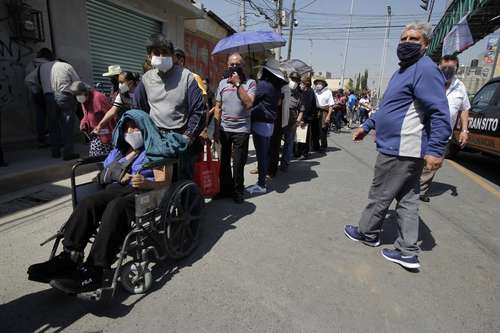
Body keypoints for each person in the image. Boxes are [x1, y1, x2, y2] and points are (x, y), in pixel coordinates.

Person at [27, 110, 188, 294]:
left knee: (116, 207)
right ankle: (70, 256)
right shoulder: (122, 150)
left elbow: (165, 183)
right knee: (89, 202)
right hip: (118, 188)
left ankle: (95, 269)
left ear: (145, 128)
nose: (130, 131)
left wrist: (146, 182)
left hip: (148, 194)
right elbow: (106, 171)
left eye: (134, 127)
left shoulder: (158, 149)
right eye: (127, 127)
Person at [344, 22, 451, 270]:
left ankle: (367, 233)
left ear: (425, 45)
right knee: (408, 200)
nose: (406, 43)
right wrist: (367, 126)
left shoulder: (425, 69)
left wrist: (436, 149)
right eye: (403, 38)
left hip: (402, 149)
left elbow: (439, 112)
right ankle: (408, 251)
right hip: (401, 148)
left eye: (413, 39)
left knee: (380, 193)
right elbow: (388, 108)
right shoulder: (403, 70)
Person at [133, 34, 206, 180]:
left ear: (173, 56)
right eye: (156, 53)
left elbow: (199, 110)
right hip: (156, 139)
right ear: (149, 57)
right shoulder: (146, 79)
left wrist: (188, 136)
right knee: (159, 181)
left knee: (183, 179)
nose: (161, 57)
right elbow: (138, 109)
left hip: (181, 138)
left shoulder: (186, 77)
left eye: (165, 53)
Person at [419, 54, 470, 202]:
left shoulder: (460, 87)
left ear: (457, 69)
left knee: (433, 164)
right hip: (422, 130)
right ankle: (409, 187)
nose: (447, 70)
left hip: (443, 134)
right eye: (444, 67)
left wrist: (464, 130)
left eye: (451, 68)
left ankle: (421, 191)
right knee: (416, 161)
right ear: (438, 67)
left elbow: (464, 109)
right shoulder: (429, 82)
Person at [213, 53, 256, 203]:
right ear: (227, 65)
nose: (234, 67)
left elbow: (249, 103)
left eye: (237, 64)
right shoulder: (222, 83)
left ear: (243, 66)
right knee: (224, 161)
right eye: (231, 64)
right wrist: (216, 130)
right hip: (225, 128)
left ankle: (238, 190)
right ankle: (225, 189)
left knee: (238, 162)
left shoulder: (250, 83)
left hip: (241, 129)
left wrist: (238, 85)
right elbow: (218, 107)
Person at [26, 48, 80, 160]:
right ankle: (68, 153)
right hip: (65, 95)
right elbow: (77, 83)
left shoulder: (41, 67)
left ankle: (55, 151)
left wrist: (38, 90)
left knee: (53, 125)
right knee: (67, 125)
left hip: (48, 97)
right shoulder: (66, 66)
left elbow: (28, 80)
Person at [246, 58, 287, 195]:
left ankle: (261, 184)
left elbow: (251, 100)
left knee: (261, 155)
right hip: (269, 124)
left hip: (261, 123)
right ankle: (262, 181)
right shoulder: (276, 86)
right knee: (264, 154)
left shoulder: (264, 85)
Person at [69, 81, 114, 157]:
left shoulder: (98, 97)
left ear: (85, 91)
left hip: (106, 135)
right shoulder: (84, 101)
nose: (78, 97)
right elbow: (86, 115)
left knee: (104, 159)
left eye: (79, 94)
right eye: (76, 95)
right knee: (95, 158)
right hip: (94, 135)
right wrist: (83, 122)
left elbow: (111, 114)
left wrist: (102, 126)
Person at [280, 71, 302, 171]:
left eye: (296, 80)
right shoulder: (282, 89)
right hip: (280, 116)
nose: (294, 82)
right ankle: (270, 165)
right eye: (293, 79)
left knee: (288, 142)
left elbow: (301, 110)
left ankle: (285, 164)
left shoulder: (300, 95)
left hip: (292, 118)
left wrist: (297, 122)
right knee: (274, 142)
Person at [296, 75, 316, 160]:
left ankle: (304, 153)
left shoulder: (309, 92)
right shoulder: (304, 91)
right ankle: (299, 152)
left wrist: (303, 119)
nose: (301, 83)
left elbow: (307, 107)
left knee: (305, 137)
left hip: (305, 118)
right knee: (300, 136)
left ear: (307, 83)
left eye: (302, 82)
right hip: (302, 117)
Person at [312, 76, 334, 152]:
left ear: (324, 84)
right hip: (315, 112)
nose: (318, 84)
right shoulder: (314, 91)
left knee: (323, 130)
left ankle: (323, 146)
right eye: (317, 83)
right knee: (314, 130)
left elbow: (331, 105)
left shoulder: (328, 92)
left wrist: (328, 116)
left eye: (320, 83)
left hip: (324, 112)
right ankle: (315, 146)